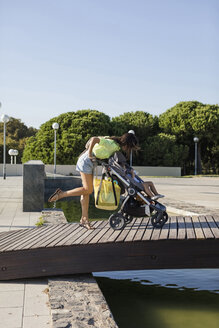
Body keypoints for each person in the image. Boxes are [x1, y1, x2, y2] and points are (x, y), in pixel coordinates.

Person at [48, 133, 139, 230]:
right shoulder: (111, 144)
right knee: (87, 190)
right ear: (127, 143)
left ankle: (84, 220)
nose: (129, 150)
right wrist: (90, 153)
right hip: (86, 162)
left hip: (89, 164)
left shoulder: (115, 147)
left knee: (85, 192)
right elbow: (94, 139)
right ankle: (62, 194)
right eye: (130, 147)